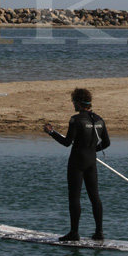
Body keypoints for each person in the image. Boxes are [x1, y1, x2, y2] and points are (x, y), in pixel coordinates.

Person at [43, 88, 111, 242]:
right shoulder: (100, 120)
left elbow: (67, 143)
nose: (73, 104)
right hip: (91, 162)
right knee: (95, 197)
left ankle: (74, 233)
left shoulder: (76, 119)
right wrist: (92, 150)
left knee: (74, 197)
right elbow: (106, 143)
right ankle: (99, 233)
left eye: (73, 101)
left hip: (77, 163)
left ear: (79, 103)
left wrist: (51, 132)